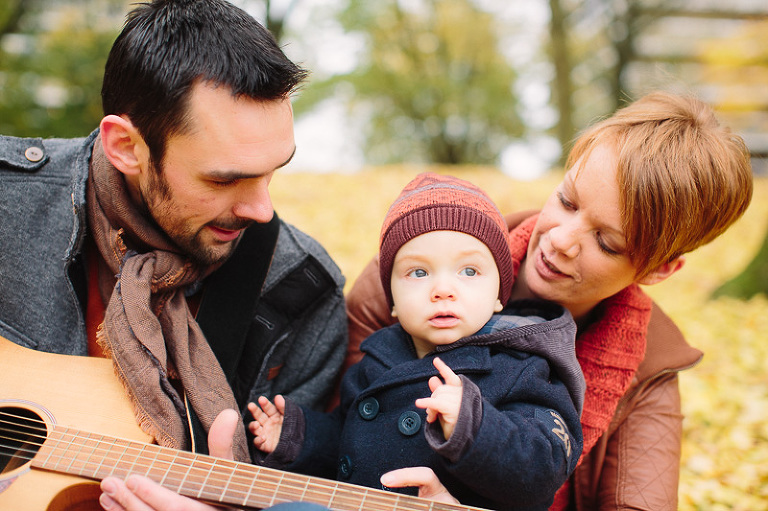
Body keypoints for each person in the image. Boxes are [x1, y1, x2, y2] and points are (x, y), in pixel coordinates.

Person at [0, 0, 346, 509]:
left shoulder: (302, 294)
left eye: (274, 170)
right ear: (126, 147)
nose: (262, 210)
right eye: (225, 178)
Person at [344, 92, 754, 510]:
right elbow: (333, 440)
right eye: (567, 200)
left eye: (606, 242)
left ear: (658, 270)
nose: (559, 239)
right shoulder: (408, 277)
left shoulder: (648, 377)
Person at [248, 173, 586, 510]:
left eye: (469, 271)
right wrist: (299, 435)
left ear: (499, 295)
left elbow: (546, 465)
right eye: (418, 272)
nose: (443, 290)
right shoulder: (377, 362)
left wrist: (473, 426)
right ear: (392, 300)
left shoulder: (521, 367)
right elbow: (350, 440)